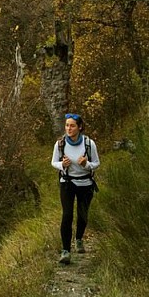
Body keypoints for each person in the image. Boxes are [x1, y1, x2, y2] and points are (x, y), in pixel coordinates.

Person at [51, 113, 100, 264]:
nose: (69, 128)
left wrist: (87, 164)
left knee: (83, 215)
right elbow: (53, 162)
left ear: (79, 127)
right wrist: (62, 165)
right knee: (67, 215)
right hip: (67, 182)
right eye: (67, 125)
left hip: (85, 183)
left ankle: (79, 238)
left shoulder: (88, 144)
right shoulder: (60, 144)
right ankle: (65, 251)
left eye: (72, 125)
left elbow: (97, 163)